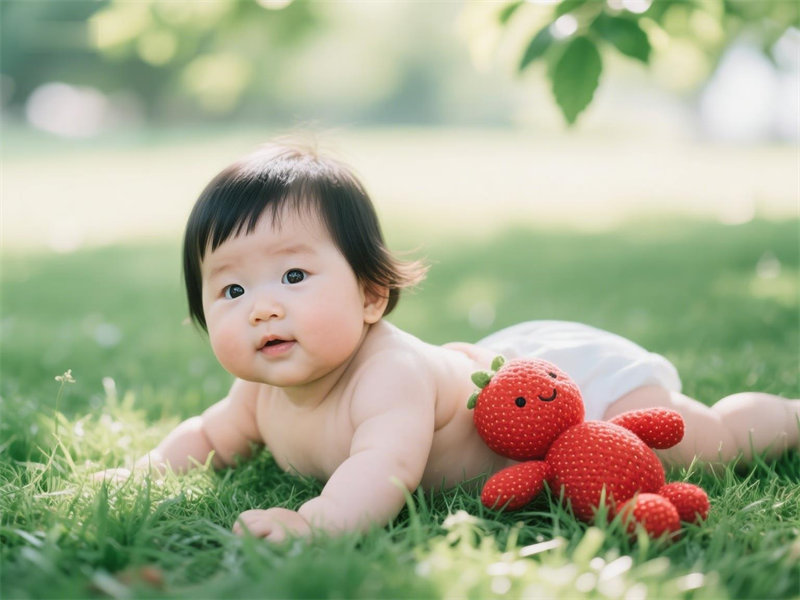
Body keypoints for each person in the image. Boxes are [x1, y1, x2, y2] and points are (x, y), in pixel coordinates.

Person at [96, 142, 799, 541]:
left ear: (372, 295)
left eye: (293, 273)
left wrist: (313, 523)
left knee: (703, 441)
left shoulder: (387, 375)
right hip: (487, 368)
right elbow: (210, 435)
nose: (261, 308)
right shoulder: (256, 389)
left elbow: (384, 470)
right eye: (231, 290)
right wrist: (146, 472)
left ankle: (783, 418)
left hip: (559, 393)